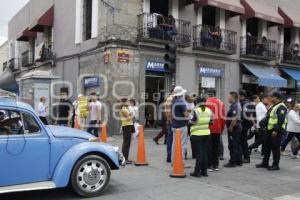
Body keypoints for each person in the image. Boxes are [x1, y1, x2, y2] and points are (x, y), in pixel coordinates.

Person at [256, 92, 287, 170]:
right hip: (269, 130)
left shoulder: (281, 107)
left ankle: (275, 165)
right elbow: (269, 117)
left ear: (276, 97)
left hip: (276, 131)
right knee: (267, 147)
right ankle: (265, 163)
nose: (270, 98)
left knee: (275, 148)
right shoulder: (273, 106)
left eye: (272, 97)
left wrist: (276, 130)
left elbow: (280, 120)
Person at [189, 97, 213, 178]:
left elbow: (191, 122)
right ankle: (204, 172)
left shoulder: (196, 111)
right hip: (206, 134)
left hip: (196, 134)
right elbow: (211, 122)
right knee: (204, 153)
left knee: (199, 154)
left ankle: (197, 172)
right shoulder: (209, 110)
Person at [206, 89, 226, 171]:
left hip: (208, 128)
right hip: (218, 128)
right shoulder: (221, 103)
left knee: (209, 147)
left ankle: (209, 165)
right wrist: (221, 128)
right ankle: (216, 165)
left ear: (208, 94)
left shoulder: (206, 103)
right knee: (216, 147)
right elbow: (223, 118)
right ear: (215, 94)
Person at [171, 86, 189, 167]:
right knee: (182, 144)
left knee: (174, 144)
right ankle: (181, 162)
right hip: (182, 126)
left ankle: (174, 161)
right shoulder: (181, 102)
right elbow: (186, 115)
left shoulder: (173, 101)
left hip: (174, 125)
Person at [224, 91, 243, 168]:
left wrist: (231, 127)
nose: (228, 98)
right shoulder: (236, 105)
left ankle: (232, 162)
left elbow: (234, 118)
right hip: (237, 127)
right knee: (237, 144)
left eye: (229, 97)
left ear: (233, 97)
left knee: (233, 145)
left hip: (234, 128)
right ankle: (239, 160)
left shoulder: (235, 106)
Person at [119, 98, 135, 164]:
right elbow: (128, 118)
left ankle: (124, 158)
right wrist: (132, 115)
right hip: (127, 126)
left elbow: (128, 116)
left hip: (128, 126)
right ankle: (125, 159)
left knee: (126, 143)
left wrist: (131, 114)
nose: (129, 102)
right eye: (128, 101)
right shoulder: (124, 109)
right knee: (126, 143)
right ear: (124, 102)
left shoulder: (126, 108)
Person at [239, 89, 252, 163]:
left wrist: (240, 120)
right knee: (242, 141)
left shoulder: (244, 103)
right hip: (244, 124)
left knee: (243, 141)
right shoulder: (245, 102)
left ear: (241, 95)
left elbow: (246, 114)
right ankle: (243, 156)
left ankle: (246, 157)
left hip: (244, 125)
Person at [165, 90, 174, 163]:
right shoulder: (172, 99)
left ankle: (169, 156)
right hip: (173, 122)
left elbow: (167, 112)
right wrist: (171, 121)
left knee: (169, 139)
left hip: (169, 121)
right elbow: (169, 112)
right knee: (173, 140)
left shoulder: (168, 99)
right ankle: (172, 156)